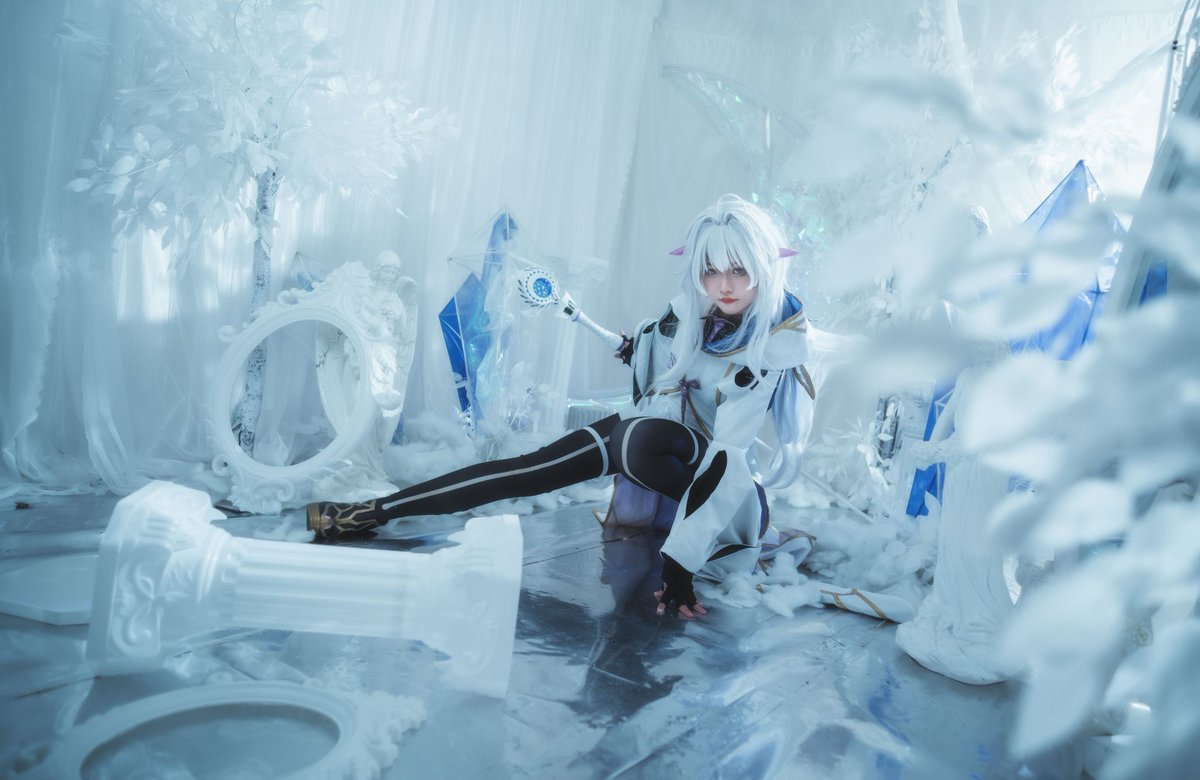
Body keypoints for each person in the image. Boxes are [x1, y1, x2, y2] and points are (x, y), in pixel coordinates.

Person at [307, 194, 814, 618]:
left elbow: (729, 457)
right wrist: (635, 348)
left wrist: (679, 566)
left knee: (637, 438)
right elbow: (659, 354)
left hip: (725, 494)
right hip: (651, 438)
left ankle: (684, 538)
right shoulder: (691, 309)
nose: (724, 285)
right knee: (527, 470)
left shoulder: (774, 343)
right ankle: (368, 513)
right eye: (711, 270)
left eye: (739, 270)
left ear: (764, 266)